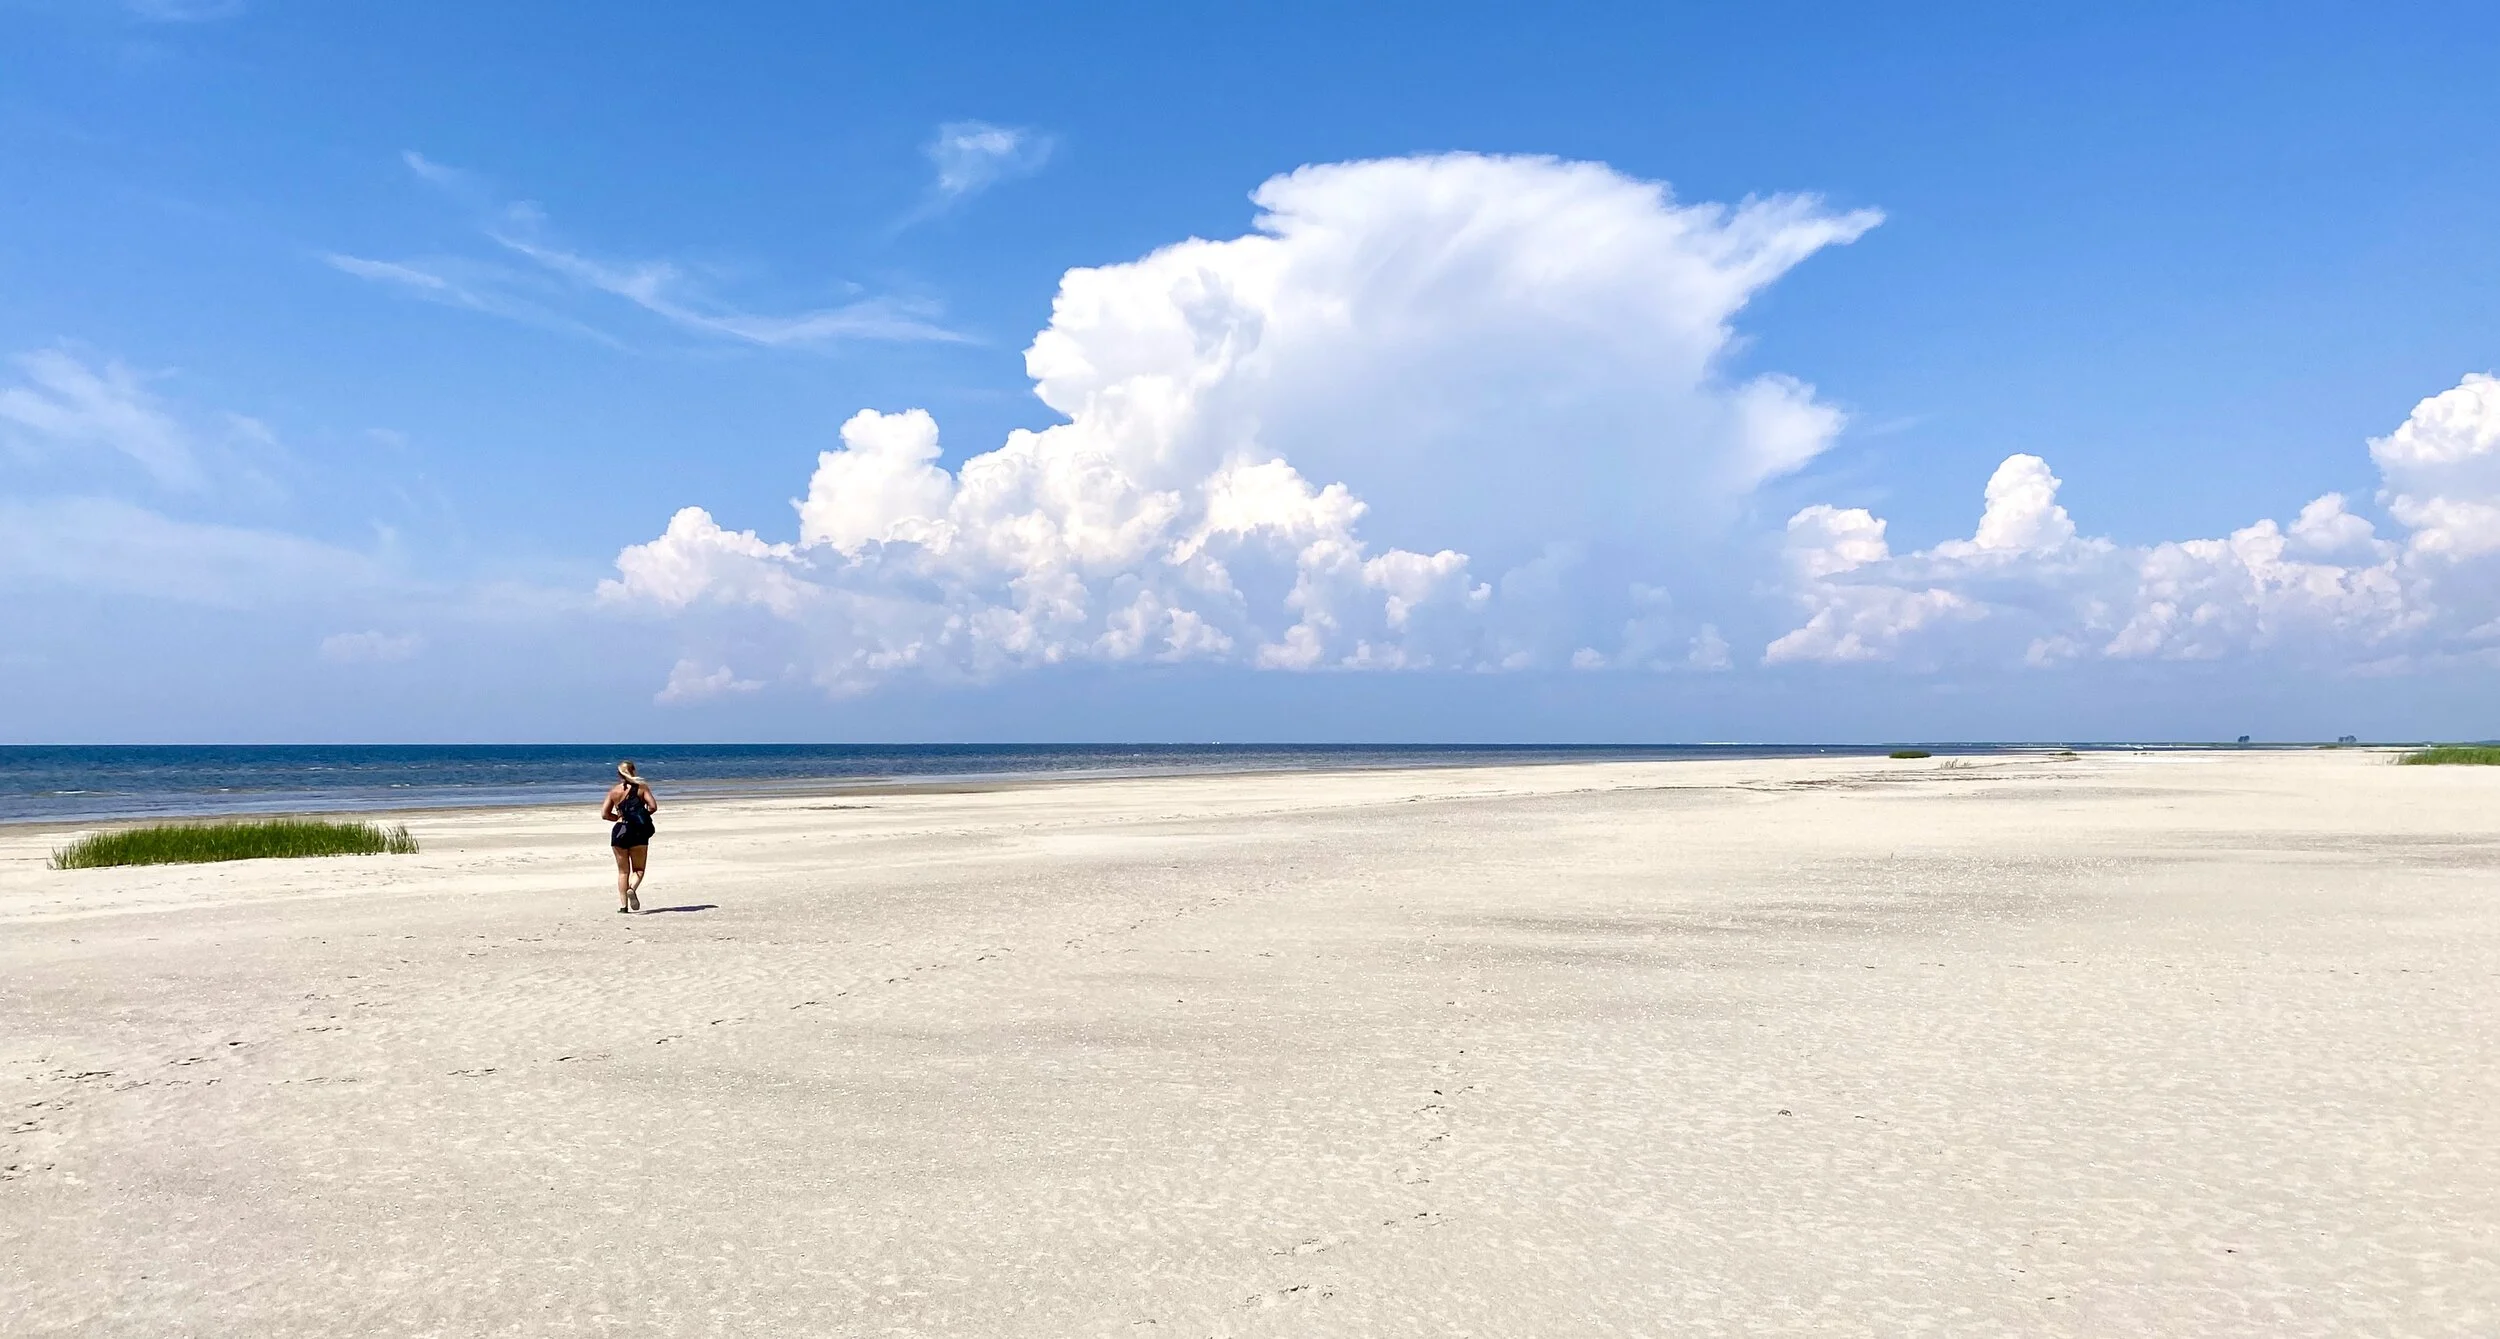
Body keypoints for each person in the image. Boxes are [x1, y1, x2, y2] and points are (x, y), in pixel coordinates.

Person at [601, 761, 659, 913]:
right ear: (634, 771)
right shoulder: (642, 788)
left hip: (620, 830)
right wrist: (640, 816)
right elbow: (653, 807)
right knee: (638, 869)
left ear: (619, 774)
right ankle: (632, 888)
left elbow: (604, 814)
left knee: (622, 871)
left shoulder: (613, 791)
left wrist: (619, 818)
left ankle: (623, 906)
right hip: (638, 831)